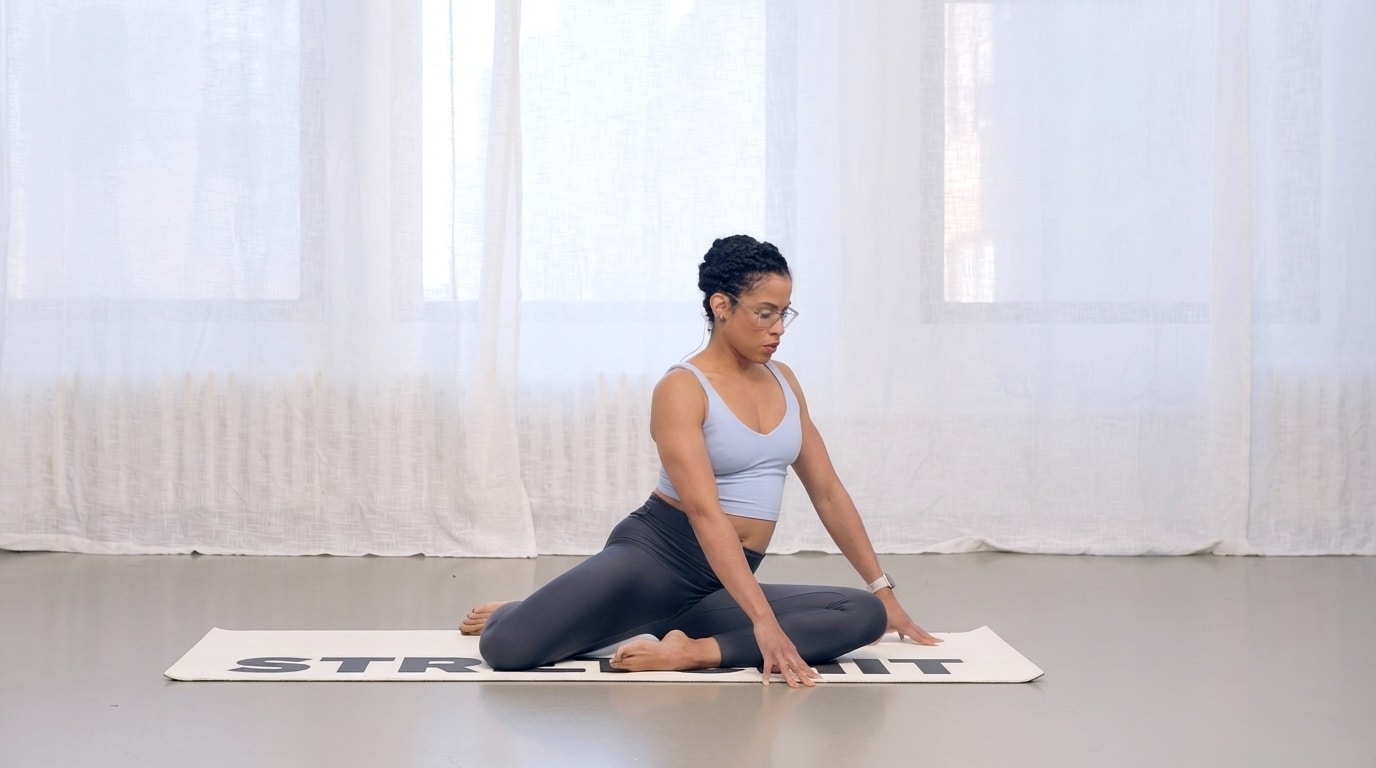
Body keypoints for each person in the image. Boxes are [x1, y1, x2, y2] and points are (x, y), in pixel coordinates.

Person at [461, 235, 940, 687]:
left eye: (784, 314)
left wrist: (884, 592)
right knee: (506, 647)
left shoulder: (785, 381)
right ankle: (535, 609)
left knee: (861, 615)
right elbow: (705, 513)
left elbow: (829, 492)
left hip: (722, 579)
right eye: (765, 313)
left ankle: (689, 651)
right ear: (722, 306)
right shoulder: (682, 389)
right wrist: (762, 621)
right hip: (656, 559)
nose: (777, 328)